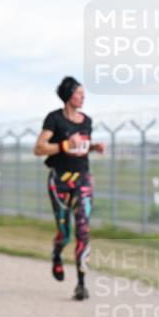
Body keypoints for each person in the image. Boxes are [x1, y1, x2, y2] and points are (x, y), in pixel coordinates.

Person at [32, 76, 106, 300]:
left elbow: (80, 148)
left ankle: (81, 284)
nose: (83, 97)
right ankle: (57, 254)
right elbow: (39, 148)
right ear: (68, 95)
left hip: (83, 180)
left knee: (83, 230)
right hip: (60, 182)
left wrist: (93, 147)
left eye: (83, 93)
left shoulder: (87, 121)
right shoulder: (54, 119)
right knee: (64, 234)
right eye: (79, 93)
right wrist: (65, 144)